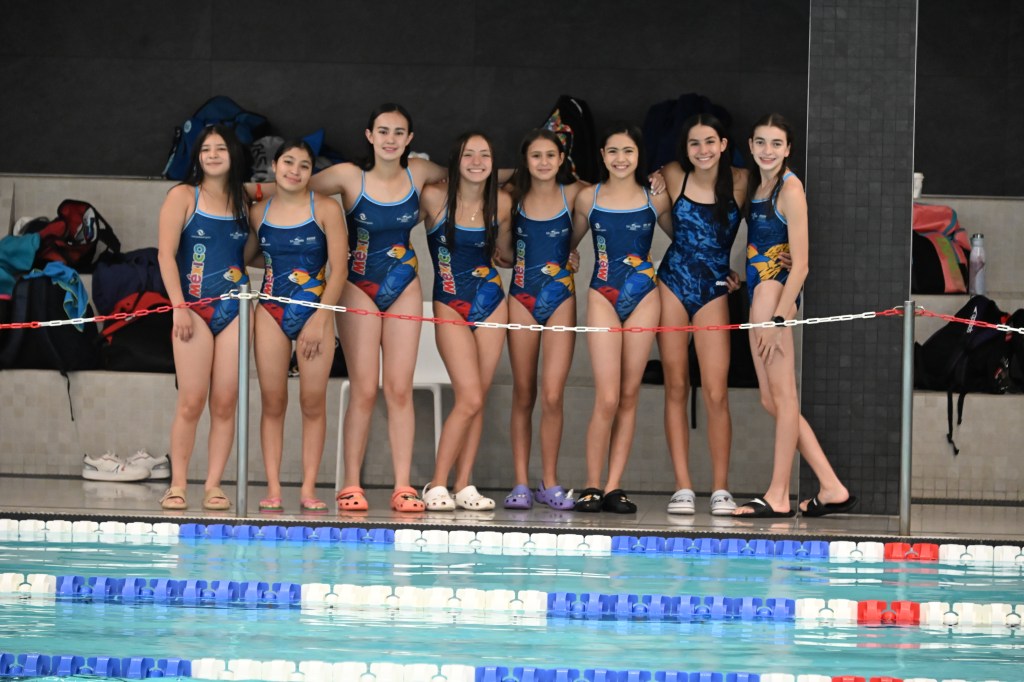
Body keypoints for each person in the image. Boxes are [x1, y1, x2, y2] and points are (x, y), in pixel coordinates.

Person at [309, 103, 448, 513]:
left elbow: (470, 173)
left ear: (410, 139)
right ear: (369, 135)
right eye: (383, 131)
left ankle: (403, 485)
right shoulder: (349, 176)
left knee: (400, 389)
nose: (390, 139)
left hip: (403, 283)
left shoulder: (418, 173)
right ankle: (351, 483)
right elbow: (292, 186)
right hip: (357, 285)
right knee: (365, 388)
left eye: (399, 132)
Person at [733, 113, 856, 518]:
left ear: (788, 149)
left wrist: (780, 319)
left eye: (776, 144)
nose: (768, 151)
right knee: (771, 399)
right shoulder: (758, 185)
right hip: (758, 293)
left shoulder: (790, 188)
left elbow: (801, 265)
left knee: (784, 398)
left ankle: (778, 494)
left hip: (774, 297)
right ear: (751, 146)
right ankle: (831, 486)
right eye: (761, 142)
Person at [157, 125, 257, 511]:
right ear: (197, 156)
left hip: (235, 309)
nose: (213, 155)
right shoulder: (183, 196)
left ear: (234, 155)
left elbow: (246, 253)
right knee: (192, 400)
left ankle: (214, 485)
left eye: (221, 149)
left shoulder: (242, 199)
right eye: (206, 149)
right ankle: (178, 484)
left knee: (226, 401)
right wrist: (179, 306)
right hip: (192, 309)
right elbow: (166, 255)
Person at [571, 123, 669, 513]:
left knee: (628, 395)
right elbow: (567, 245)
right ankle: (592, 484)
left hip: (644, 296)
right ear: (602, 155)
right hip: (603, 295)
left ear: (639, 155)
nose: (620, 158)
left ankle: (613, 486)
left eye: (628, 151)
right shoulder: (588, 197)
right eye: (613, 151)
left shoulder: (654, 197)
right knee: (607, 396)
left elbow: (689, 241)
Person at [655, 114, 746, 516]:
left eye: (710, 142)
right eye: (695, 143)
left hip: (713, 289)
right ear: (686, 148)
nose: (703, 150)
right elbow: (659, 220)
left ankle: (721, 488)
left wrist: (780, 260)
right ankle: (682, 487)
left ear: (723, 144)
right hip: (673, 283)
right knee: (676, 386)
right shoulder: (673, 174)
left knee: (715, 391)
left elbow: (768, 226)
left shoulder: (742, 182)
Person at [252, 139, 347, 514]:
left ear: (311, 173)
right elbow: (249, 256)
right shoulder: (258, 212)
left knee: (312, 401)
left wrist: (321, 319)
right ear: (274, 166)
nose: (295, 170)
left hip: (315, 312)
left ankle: (308, 487)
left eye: (304, 165)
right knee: (273, 401)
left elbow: (339, 269)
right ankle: (274, 488)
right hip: (270, 311)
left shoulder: (325, 208)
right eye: (288, 162)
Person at [419, 132, 513, 511]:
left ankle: (463, 485)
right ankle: (436, 483)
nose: (477, 162)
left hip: (490, 300)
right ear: (454, 162)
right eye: (468, 155)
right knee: (469, 396)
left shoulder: (502, 203)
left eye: (484, 155)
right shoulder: (433, 197)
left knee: (477, 399)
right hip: (449, 302)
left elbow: (506, 254)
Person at [503, 130, 586, 511]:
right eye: (535, 155)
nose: (543, 162)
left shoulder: (575, 194)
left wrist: (658, 180)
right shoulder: (512, 198)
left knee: (553, 394)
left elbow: (615, 193)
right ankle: (520, 482)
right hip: (521, 297)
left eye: (550, 155)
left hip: (560, 298)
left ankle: (548, 482)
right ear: (525, 160)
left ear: (562, 158)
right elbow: (504, 253)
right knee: (524, 393)